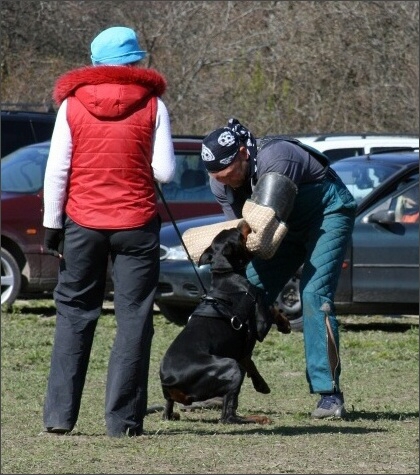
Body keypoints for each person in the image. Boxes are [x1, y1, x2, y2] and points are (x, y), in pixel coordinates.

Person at [42, 26, 176, 437]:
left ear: (95, 64)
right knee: (134, 319)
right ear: (135, 62)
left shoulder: (72, 104)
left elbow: (57, 170)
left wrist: (52, 224)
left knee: (74, 315)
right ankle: (123, 423)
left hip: (82, 223)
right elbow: (166, 172)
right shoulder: (154, 105)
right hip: (137, 225)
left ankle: (60, 418)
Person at [189, 118, 357, 418]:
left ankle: (329, 394)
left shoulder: (277, 157)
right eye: (218, 177)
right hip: (282, 226)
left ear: (242, 153)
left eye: (229, 174)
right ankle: (219, 386)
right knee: (243, 296)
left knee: (314, 294)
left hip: (327, 214)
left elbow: (262, 222)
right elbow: (242, 231)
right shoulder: (220, 182)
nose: (225, 182)